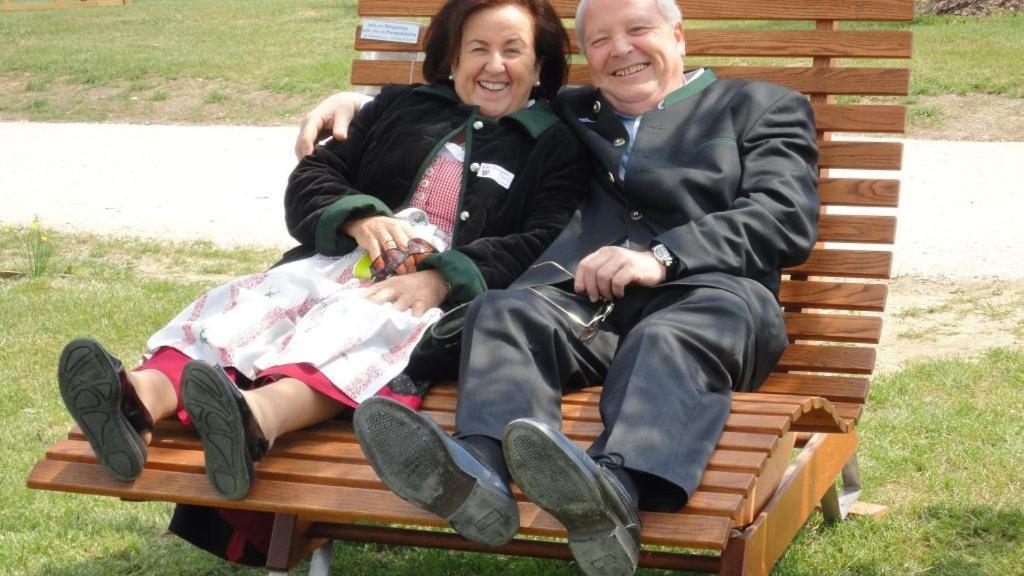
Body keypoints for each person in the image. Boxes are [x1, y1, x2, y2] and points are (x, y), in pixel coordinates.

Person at [55, 0, 589, 565]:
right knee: (259, 302)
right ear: (451, 58)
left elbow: (540, 238)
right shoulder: (400, 108)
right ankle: (136, 400)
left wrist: (441, 279)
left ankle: (255, 421)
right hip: (332, 260)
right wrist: (357, 217)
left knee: (358, 326)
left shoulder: (552, 143)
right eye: (478, 48)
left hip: (418, 294)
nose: (494, 65)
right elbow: (314, 174)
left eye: (513, 51)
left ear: (539, 65)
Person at [307, 0, 820, 574]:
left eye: (637, 30)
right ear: (586, 60)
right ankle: (478, 474)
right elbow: (486, 91)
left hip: (715, 300)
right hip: (591, 306)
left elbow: (784, 214)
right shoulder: (575, 110)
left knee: (668, 338)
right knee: (503, 313)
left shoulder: (761, 107)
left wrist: (664, 256)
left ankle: (613, 495)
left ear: (678, 36)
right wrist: (359, 103)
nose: (620, 49)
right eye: (600, 40)